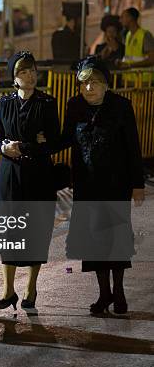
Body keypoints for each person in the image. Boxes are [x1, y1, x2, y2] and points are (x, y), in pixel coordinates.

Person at [57, 56, 144, 314]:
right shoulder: (75, 107)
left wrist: (137, 184)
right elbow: (64, 139)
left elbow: (133, 148)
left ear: (106, 84)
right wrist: (37, 143)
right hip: (87, 187)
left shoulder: (121, 106)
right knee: (95, 242)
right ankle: (103, 293)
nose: (89, 88)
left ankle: (119, 292)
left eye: (94, 82)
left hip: (116, 185)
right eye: (84, 83)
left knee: (116, 240)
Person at [0, 51, 60, 312]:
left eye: (32, 70)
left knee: (35, 229)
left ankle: (31, 287)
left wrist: (28, 147)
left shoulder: (46, 103)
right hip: (9, 174)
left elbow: (53, 141)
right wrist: (3, 148)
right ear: (14, 77)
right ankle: (8, 290)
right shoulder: (4, 102)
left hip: (38, 175)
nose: (29, 76)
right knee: (8, 230)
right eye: (23, 72)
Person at [118, 7, 154, 85]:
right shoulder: (128, 35)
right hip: (129, 81)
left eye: (122, 17)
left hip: (143, 82)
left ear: (130, 18)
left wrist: (130, 65)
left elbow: (152, 60)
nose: (120, 20)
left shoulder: (145, 35)